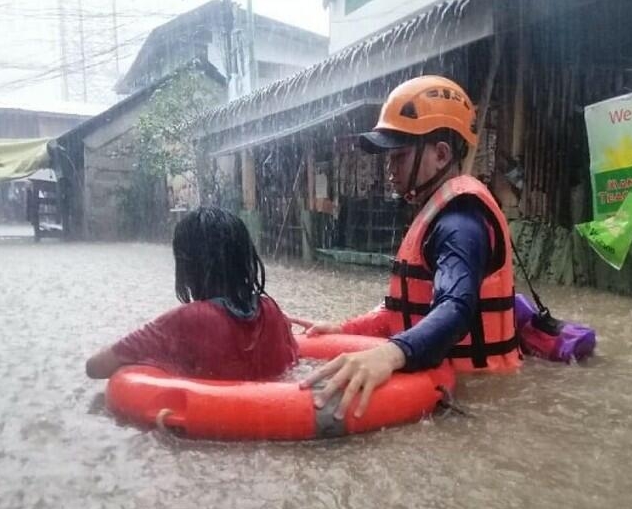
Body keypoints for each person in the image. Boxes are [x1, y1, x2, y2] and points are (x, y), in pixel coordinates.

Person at [300, 76, 520, 419]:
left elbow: (456, 307)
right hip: (450, 385)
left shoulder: (460, 224)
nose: (390, 170)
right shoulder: (437, 214)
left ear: (441, 154)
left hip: (477, 398)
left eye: (399, 158)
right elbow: (401, 312)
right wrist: (344, 329)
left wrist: (389, 355)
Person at [85, 207, 298, 380]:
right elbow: (293, 361)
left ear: (187, 266)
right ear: (245, 258)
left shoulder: (189, 319)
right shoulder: (272, 311)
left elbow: (95, 367)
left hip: (211, 428)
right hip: (272, 418)